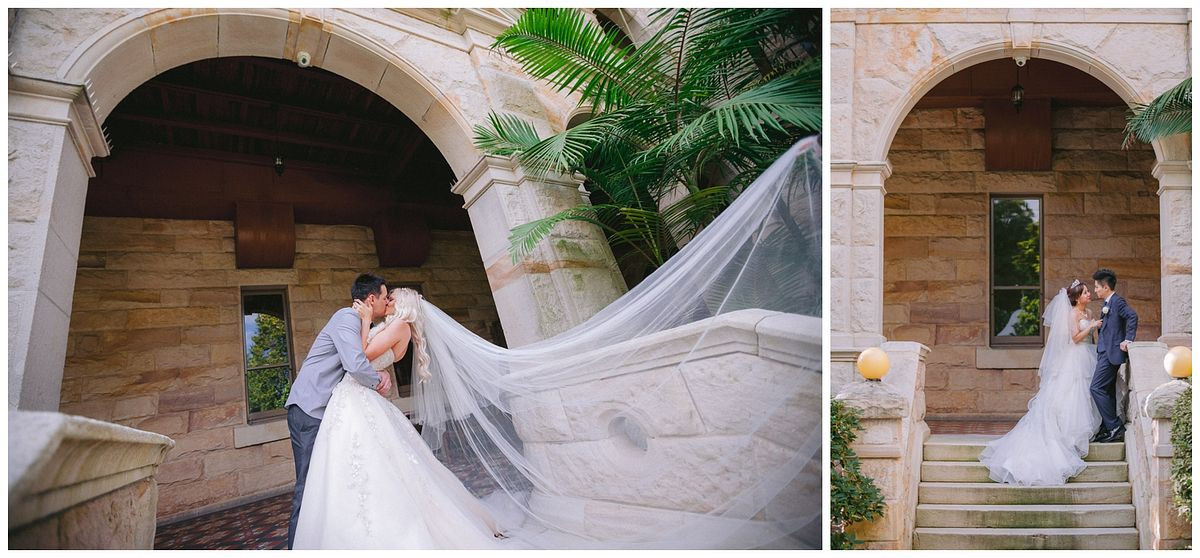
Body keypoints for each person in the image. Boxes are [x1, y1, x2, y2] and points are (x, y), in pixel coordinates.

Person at [291, 288, 509, 549]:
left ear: (403, 304)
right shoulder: (390, 326)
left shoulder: (400, 327)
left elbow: (360, 355)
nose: (387, 302)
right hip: (351, 398)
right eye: (386, 297)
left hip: (359, 397)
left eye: (391, 299)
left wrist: (363, 321)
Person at [283, 273, 394, 549]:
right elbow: (355, 364)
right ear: (371, 299)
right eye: (384, 296)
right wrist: (378, 379)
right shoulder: (347, 317)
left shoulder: (359, 323)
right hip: (310, 409)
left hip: (326, 411)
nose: (387, 301)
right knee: (308, 486)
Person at [979, 280, 1103, 486]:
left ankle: (1083, 433)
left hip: (1088, 356)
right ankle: (1068, 437)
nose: (1089, 294)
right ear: (1077, 297)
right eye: (1086, 292)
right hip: (1074, 358)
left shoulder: (1089, 312)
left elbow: (1092, 338)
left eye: (1089, 291)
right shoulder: (1072, 314)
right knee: (1072, 393)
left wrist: (1093, 327)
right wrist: (1091, 327)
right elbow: (1074, 338)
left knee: (1086, 392)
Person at [1090, 268, 1138, 443]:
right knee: (1107, 391)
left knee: (1095, 388)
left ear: (1105, 286)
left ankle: (1115, 426)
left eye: (1096, 287)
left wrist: (1128, 339)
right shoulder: (1108, 304)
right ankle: (1107, 428)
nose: (1095, 290)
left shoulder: (1117, 302)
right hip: (1103, 353)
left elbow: (1132, 316)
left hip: (1112, 354)